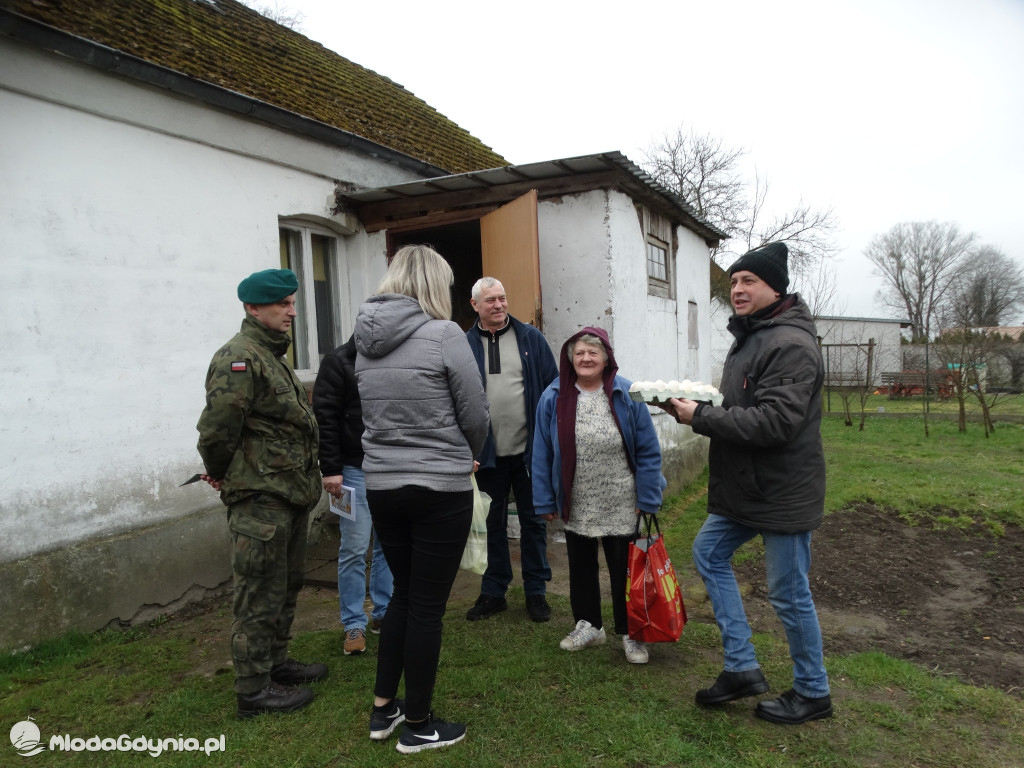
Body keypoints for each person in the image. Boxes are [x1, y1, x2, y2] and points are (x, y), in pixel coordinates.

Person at [661, 241, 833, 724]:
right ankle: (741, 667)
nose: (737, 288)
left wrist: (701, 418)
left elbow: (775, 423)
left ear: (774, 288)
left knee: (788, 592)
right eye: (734, 280)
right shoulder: (753, 336)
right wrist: (691, 409)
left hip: (782, 490)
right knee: (708, 553)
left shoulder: (789, 344)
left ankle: (814, 691)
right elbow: (740, 408)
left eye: (748, 281)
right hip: (747, 485)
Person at [354, 245, 489, 754]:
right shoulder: (444, 334)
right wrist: (470, 453)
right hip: (437, 487)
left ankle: (383, 708)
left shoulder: (364, 341)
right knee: (427, 608)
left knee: (404, 597)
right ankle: (419, 724)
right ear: (434, 284)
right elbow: (474, 411)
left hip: (383, 486)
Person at [196, 268, 327, 719]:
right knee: (258, 592)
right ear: (253, 308)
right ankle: (253, 691)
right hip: (260, 497)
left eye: (292, 303)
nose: (292, 312)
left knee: (286, 584)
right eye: (282, 304)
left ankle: (275, 664)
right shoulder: (238, 358)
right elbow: (217, 430)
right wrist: (221, 473)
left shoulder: (270, 355)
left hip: (287, 493)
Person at [532, 327, 666, 664]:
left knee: (624, 569)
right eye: (579, 353)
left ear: (606, 359)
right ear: (570, 359)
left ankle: (631, 633)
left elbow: (649, 450)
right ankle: (589, 625)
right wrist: (544, 499)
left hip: (623, 499)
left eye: (593, 352)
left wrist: (648, 496)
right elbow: (542, 451)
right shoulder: (554, 396)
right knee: (581, 567)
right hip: (577, 498)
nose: (586, 358)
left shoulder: (627, 393)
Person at [464, 277, 559, 623]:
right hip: (486, 455)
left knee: (534, 522)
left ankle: (536, 592)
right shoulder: (463, 345)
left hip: (529, 453)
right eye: (490, 300)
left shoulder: (530, 338)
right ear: (475, 305)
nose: (499, 305)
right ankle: (494, 592)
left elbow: (553, 390)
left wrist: (550, 443)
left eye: (502, 298)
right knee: (491, 524)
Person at [312, 334, 393, 657]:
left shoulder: (393, 357)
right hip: (351, 471)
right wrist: (331, 468)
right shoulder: (338, 362)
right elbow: (325, 418)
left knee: (389, 545)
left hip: (389, 467)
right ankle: (353, 623)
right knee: (354, 548)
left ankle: (383, 613)